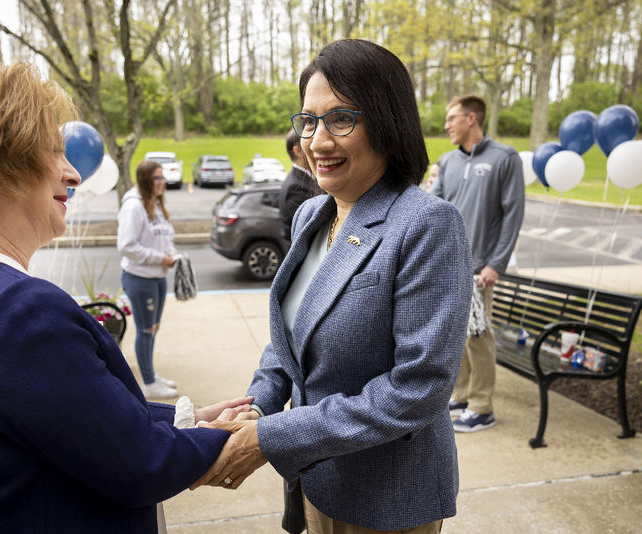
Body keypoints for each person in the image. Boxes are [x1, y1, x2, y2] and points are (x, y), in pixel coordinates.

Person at [0, 59, 251, 532]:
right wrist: (230, 438)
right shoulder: (17, 312)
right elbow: (140, 466)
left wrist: (182, 420)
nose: (72, 174)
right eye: (51, 151)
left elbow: (62, 414)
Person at [193, 39, 473, 533]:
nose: (317, 141)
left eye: (341, 118)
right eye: (308, 120)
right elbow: (290, 340)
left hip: (387, 499)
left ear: (387, 122)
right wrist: (256, 406)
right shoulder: (310, 214)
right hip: (315, 482)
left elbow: (419, 388)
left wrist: (270, 436)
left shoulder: (427, 223)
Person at [429, 94, 525, 432]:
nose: (446, 125)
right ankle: (465, 393)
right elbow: (433, 207)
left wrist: (496, 263)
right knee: (458, 337)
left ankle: (482, 407)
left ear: (472, 119)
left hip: (480, 268)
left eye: (452, 118)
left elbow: (513, 214)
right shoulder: (448, 161)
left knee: (479, 336)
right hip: (450, 266)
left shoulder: (504, 158)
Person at [118, 160, 181, 399]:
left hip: (158, 278)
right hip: (140, 278)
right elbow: (127, 246)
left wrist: (171, 255)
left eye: (162, 177)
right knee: (146, 330)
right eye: (156, 178)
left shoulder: (155, 205)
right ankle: (148, 382)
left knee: (153, 329)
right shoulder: (134, 207)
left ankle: (151, 375)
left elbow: (166, 239)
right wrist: (160, 258)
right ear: (145, 180)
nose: (162, 181)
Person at [279, 129, 321, 241]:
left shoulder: (306, 178)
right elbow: (308, 232)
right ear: (297, 151)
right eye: (310, 145)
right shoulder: (294, 188)